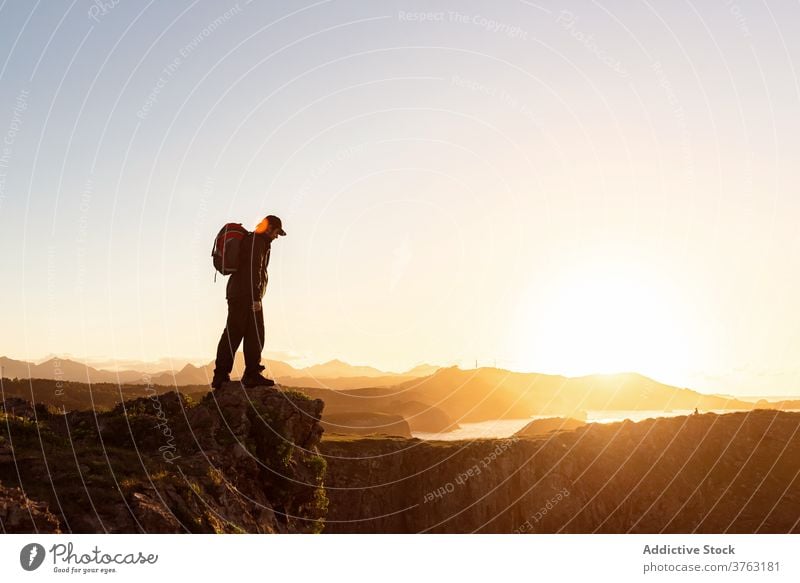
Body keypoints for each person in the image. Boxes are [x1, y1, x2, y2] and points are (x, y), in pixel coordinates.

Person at [212, 214, 286, 389]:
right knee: (250, 333)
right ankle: (247, 374)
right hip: (246, 295)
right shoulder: (257, 242)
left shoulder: (255, 241)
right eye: (276, 232)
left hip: (239, 294)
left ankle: (228, 375)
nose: (276, 236)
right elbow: (254, 270)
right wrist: (255, 298)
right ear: (269, 228)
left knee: (240, 333)